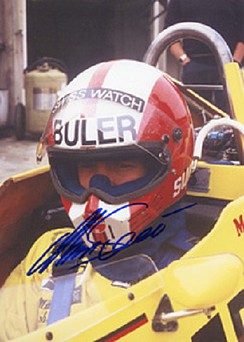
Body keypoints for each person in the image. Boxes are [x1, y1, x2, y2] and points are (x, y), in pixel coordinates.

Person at [0, 59, 196, 339]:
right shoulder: (49, 254)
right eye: (87, 167)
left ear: (171, 168)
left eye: (122, 165)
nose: (98, 189)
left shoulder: (203, 271)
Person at [164, 0, 244, 112]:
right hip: (194, 66)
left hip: (228, 66)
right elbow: (169, 33)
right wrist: (185, 60)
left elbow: (242, 35)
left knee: (233, 116)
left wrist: (235, 63)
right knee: (194, 115)